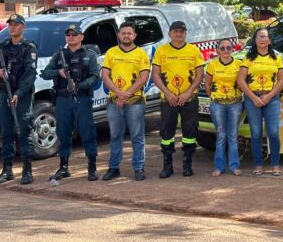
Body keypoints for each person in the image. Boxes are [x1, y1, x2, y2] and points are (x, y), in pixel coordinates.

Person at [41, 24, 100, 182]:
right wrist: (58, 72)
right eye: (68, 35)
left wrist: (79, 85)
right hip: (62, 99)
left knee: (87, 132)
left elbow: (95, 77)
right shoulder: (59, 55)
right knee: (63, 132)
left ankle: (92, 167)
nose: (71, 37)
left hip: (82, 98)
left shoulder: (90, 55)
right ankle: (64, 167)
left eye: (74, 34)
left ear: (81, 37)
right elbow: (45, 73)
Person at [0, 14, 38, 185]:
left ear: (23, 27)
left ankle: (27, 169)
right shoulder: (2, 47)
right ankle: (7, 169)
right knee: (6, 130)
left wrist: (19, 93)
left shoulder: (29, 48)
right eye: (10, 25)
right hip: (3, 94)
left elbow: (30, 74)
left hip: (21, 95)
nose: (13, 28)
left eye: (16, 25)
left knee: (24, 130)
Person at [152, 21, 204, 178]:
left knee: (190, 131)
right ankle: (167, 165)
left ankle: (187, 163)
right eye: (175, 31)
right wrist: (168, 93)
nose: (178, 34)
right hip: (169, 99)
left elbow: (199, 74)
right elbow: (155, 75)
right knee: (167, 133)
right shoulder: (161, 51)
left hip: (189, 99)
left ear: (185, 33)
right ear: (169, 34)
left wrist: (188, 93)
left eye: (182, 31)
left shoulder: (194, 50)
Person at [101, 22, 150, 181]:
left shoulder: (141, 54)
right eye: (123, 33)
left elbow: (144, 77)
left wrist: (126, 94)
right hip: (114, 101)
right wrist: (118, 93)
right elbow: (105, 75)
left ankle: (138, 168)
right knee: (115, 136)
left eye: (129, 33)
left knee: (137, 136)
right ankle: (114, 167)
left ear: (134, 35)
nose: (126, 36)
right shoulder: (111, 53)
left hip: (135, 101)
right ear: (119, 35)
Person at [237, 28, 283, 176]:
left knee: (273, 133)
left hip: (271, 99)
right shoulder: (248, 58)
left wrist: (269, 96)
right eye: (259, 37)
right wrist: (253, 97)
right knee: (256, 133)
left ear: (269, 40)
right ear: (255, 40)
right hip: (253, 99)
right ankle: (258, 164)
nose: (262, 39)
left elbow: (282, 80)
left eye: (265, 37)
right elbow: (240, 80)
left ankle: (275, 165)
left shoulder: (276, 58)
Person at [205, 38, 243, 177]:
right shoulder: (212, 65)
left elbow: (244, 83)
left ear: (233, 49)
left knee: (232, 135)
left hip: (235, 104)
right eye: (222, 48)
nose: (226, 50)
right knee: (221, 135)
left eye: (228, 47)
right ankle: (219, 167)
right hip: (218, 105)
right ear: (217, 50)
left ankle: (234, 166)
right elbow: (207, 85)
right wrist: (215, 97)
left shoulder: (239, 64)